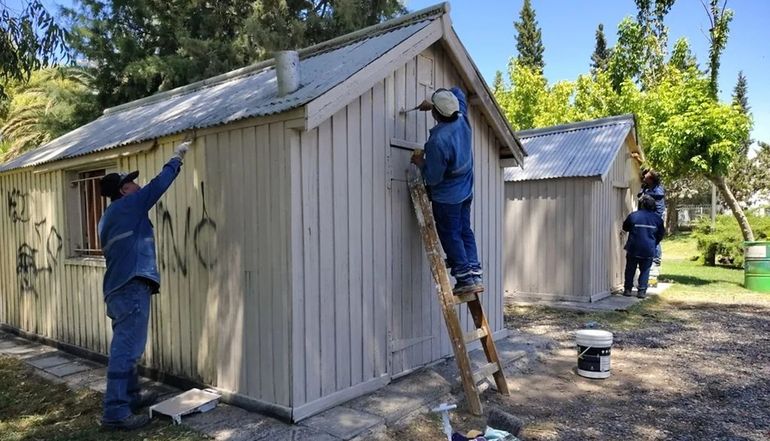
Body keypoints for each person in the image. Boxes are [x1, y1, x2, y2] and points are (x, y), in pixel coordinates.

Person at [97, 140, 190, 430]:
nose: (136, 186)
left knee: (127, 345)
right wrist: (177, 158)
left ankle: (131, 396)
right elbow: (157, 185)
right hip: (131, 286)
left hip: (117, 289)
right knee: (127, 349)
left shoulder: (107, 217)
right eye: (131, 183)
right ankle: (115, 412)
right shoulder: (130, 205)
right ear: (123, 191)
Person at [411, 87, 482, 294]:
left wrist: (420, 162)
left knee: (450, 233)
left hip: (449, 195)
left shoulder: (438, 141)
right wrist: (433, 101)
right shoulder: (461, 116)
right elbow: (458, 91)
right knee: (464, 230)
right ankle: (474, 274)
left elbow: (433, 177)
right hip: (467, 188)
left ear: (436, 114)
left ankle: (463, 277)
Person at [622, 195, 665, 299]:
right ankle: (641, 291)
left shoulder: (633, 216)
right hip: (648, 249)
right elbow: (660, 235)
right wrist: (653, 243)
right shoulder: (657, 219)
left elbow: (625, 227)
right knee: (645, 270)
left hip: (633, 247)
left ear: (641, 204)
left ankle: (628, 290)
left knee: (630, 269)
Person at [638, 169, 666, 264]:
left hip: (656, 214)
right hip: (647, 213)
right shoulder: (646, 186)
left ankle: (656, 259)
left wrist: (646, 195)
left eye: (646, 177)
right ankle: (649, 256)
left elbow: (660, 194)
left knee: (654, 234)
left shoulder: (657, 188)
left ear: (651, 179)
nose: (644, 178)